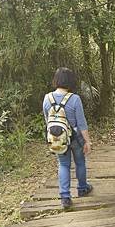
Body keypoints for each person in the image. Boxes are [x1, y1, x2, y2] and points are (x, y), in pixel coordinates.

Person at [43, 67, 93, 210]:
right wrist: (87, 141)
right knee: (80, 162)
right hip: (75, 138)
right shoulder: (75, 99)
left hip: (58, 137)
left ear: (56, 80)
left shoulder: (47, 98)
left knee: (63, 165)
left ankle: (65, 197)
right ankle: (82, 188)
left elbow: (48, 121)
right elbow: (82, 123)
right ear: (71, 81)